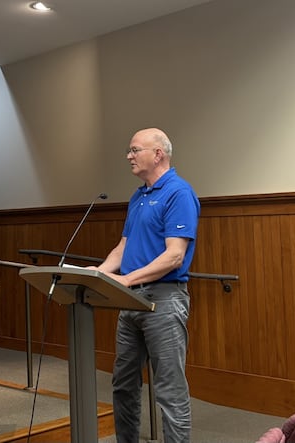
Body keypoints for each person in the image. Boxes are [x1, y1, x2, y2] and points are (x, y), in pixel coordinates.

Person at [92, 128, 200, 443]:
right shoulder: (139, 196)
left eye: (135, 149)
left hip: (163, 301)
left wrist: (125, 278)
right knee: (123, 383)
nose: (129, 156)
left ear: (158, 154)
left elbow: (174, 257)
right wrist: (98, 274)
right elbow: (123, 247)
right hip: (128, 301)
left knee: (169, 389)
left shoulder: (179, 192)